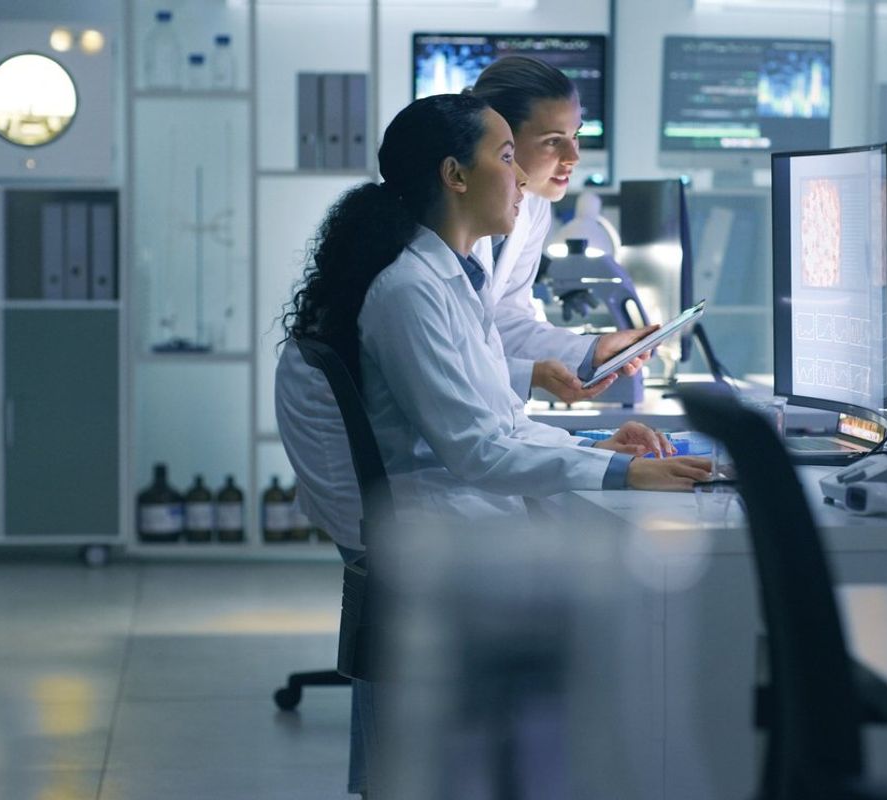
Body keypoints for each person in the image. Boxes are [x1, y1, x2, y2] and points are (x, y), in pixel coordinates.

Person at [276, 93, 709, 798]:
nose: (523, 179)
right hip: (444, 528)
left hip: (451, 513)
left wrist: (607, 447)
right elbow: (479, 449)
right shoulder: (410, 291)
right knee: (647, 598)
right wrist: (622, 475)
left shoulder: (448, 278)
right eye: (508, 157)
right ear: (455, 175)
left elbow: (496, 422)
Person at [467, 55, 656, 404]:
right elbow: (451, 362)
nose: (573, 156)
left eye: (575, 136)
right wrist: (532, 375)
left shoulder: (534, 205)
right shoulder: (441, 227)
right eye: (554, 141)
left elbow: (505, 321)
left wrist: (593, 350)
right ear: (499, 139)